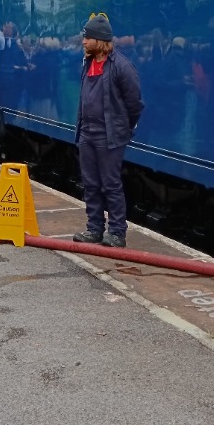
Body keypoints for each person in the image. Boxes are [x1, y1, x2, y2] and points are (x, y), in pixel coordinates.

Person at [73, 13, 144, 249]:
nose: (83, 41)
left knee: (110, 184)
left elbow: (134, 103)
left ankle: (116, 232)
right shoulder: (88, 63)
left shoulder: (122, 67)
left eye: (87, 37)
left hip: (109, 135)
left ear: (99, 40)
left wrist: (124, 127)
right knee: (90, 183)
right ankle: (94, 228)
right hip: (87, 132)